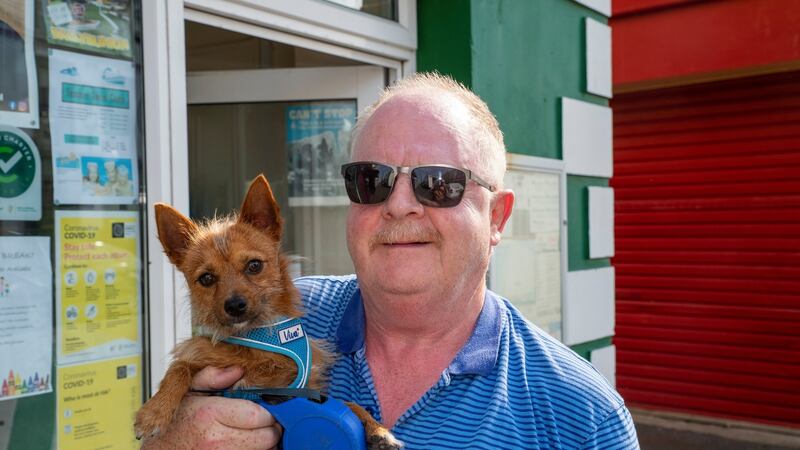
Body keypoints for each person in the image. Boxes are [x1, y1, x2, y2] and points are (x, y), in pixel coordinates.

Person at [144, 73, 639, 449]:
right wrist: (170, 439)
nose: (399, 205)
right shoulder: (280, 316)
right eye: (371, 180)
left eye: (438, 183)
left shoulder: (581, 415)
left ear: (496, 217)